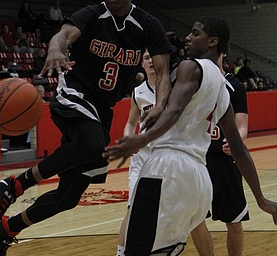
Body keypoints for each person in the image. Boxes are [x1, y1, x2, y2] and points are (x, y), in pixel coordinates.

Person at [0, 1, 172, 255]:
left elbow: (163, 71)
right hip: (76, 92)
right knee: (92, 144)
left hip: (103, 109)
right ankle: (11, 186)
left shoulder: (148, 24)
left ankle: (6, 230)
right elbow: (63, 36)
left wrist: (160, 105)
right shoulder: (93, 14)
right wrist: (55, 50)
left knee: (68, 197)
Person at [103, 16, 277, 256]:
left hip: (166, 167)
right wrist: (262, 200)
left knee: (134, 250)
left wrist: (141, 139)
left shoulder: (190, 67)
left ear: (212, 41)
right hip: (198, 178)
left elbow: (174, 111)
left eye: (195, 33)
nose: (187, 37)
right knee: (162, 249)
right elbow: (238, 148)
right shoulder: (222, 88)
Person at [191, 49, 249, 256]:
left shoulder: (234, 86)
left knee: (234, 221)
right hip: (197, 157)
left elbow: (242, 125)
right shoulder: (192, 80)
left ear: (222, 52)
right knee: (195, 220)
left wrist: (236, 141)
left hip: (224, 159)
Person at [117, 49, 156, 256]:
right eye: (147, 58)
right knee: (133, 210)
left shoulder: (174, 87)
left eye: (153, 57)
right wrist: (129, 139)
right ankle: (121, 253)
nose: (150, 61)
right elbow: (130, 123)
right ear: (142, 64)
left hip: (167, 157)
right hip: (143, 157)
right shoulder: (138, 92)